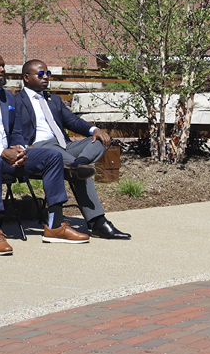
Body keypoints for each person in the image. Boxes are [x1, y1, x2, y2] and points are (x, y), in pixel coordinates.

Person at [0, 50, 84, 254]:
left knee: (52, 156)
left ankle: (55, 225)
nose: (3, 69)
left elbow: (16, 132)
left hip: (6, 155)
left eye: (3, 65)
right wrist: (1, 152)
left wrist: (19, 150)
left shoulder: (8, 97)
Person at [13, 59, 130, 240]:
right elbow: (10, 127)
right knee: (78, 170)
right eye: (41, 74)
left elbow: (73, 122)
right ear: (26, 78)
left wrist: (94, 130)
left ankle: (80, 163)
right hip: (39, 148)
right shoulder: (15, 101)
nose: (46, 77)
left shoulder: (54, 100)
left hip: (64, 146)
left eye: (48, 73)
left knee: (100, 141)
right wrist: (21, 145)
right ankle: (98, 223)